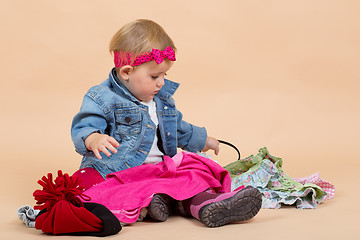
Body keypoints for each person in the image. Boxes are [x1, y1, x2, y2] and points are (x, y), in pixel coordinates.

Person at [71, 19, 262, 228]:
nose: (161, 82)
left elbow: (178, 129)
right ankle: (150, 201)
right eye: (154, 76)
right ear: (126, 72)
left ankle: (205, 204)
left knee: (196, 172)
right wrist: (93, 138)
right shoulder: (102, 97)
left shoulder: (161, 99)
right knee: (85, 184)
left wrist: (203, 139)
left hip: (162, 169)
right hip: (122, 171)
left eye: (164, 74)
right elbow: (84, 126)